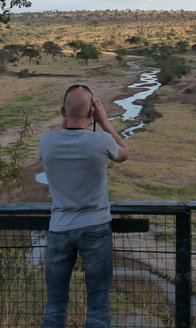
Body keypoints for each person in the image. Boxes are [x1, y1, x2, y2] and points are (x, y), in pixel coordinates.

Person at [39, 84, 129, 328]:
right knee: (98, 305)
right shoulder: (101, 140)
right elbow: (124, 152)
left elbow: (63, 135)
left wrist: (69, 117)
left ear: (61, 111)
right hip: (95, 227)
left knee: (55, 305)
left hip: (59, 229)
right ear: (92, 113)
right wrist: (105, 123)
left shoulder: (47, 141)